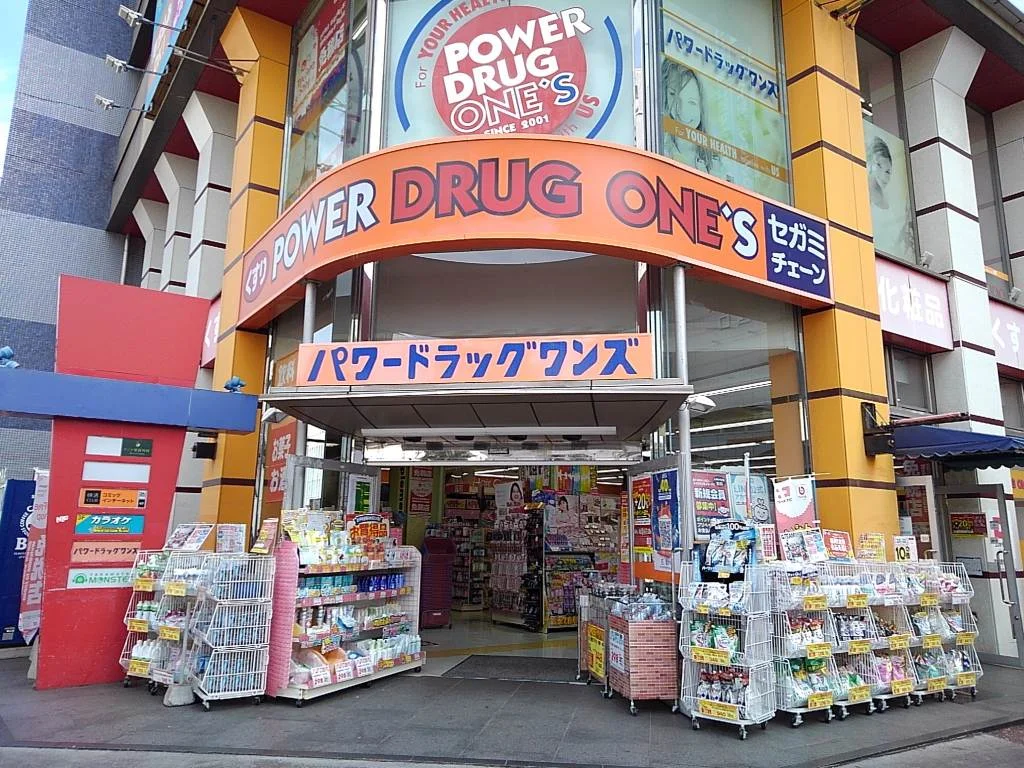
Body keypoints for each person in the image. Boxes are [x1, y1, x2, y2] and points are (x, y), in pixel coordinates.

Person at [867, 133, 916, 260]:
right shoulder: (864, 195)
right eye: (879, 166)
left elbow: (893, 240)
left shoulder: (889, 201)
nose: (886, 176)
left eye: (889, 172)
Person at [661, 58, 716, 175]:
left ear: (702, 107)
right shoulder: (658, 148)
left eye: (692, 102)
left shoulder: (716, 162)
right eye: (673, 95)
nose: (682, 111)